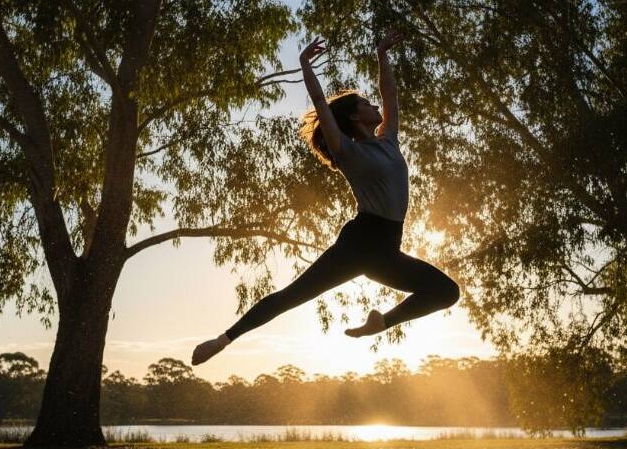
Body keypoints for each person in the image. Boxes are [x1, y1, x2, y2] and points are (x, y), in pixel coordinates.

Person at [191, 29, 459, 366]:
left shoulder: (388, 139)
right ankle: (223, 340)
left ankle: (381, 323)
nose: (374, 105)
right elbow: (321, 105)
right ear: (353, 117)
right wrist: (305, 65)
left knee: (447, 292)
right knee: (293, 297)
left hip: (386, 250)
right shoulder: (346, 150)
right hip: (359, 243)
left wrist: (382, 54)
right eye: (366, 103)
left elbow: (389, 95)